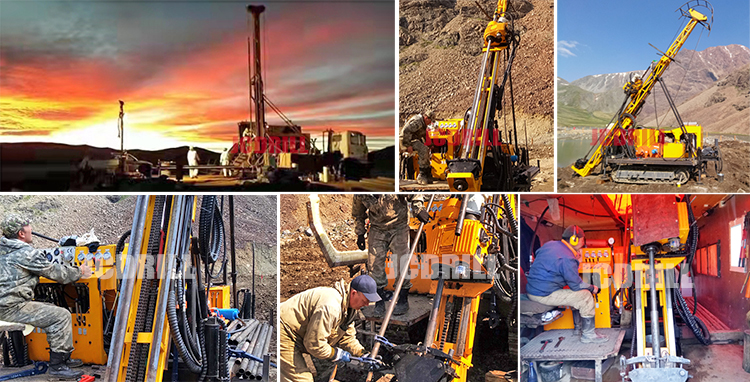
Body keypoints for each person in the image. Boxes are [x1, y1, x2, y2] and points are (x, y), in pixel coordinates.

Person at [0, 215, 93, 379]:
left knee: (51, 308)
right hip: (11, 307)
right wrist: (80, 272)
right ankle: (58, 367)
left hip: (5, 304)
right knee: (61, 316)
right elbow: (57, 273)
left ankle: (63, 357)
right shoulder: (25, 253)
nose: (31, 229)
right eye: (28, 226)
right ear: (21, 233)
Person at [279, 275, 381, 382]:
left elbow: (347, 338)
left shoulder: (349, 308)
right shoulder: (331, 307)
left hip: (299, 334)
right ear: (354, 293)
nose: (367, 304)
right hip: (285, 331)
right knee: (302, 379)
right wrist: (336, 354)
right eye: (365, 300)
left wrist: (362, 353)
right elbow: (314, 344)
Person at [525, 225, 607, 343]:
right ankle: (588, 335)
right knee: (585, 296)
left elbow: (540, 255)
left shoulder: (549, 244)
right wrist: (592, 288)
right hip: (543, 295)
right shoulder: (567, 258)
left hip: (533, 289)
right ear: (575, 239)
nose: (583, 242)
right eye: (582, 240)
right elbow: (576, 285)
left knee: (575, 293)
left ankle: (578, 327)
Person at [352, 195, 430, 317]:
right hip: (377, 228)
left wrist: (419, 209)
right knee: (374, 264)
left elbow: (413, 195)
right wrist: (360, 233)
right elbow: (358, 213)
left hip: (399, 225)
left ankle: (403, 299)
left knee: (401, 262)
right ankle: (379, 301)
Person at [400, 111, 434, 185]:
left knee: (426, 149)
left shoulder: (422, 123)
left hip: (412, 139)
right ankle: (422, 175)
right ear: (426, 118)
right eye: (430, 121)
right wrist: (408, 145)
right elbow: (407, 131)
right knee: (423, 150)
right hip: (405, 140)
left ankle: (427, 173)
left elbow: (423, 134)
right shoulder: (418, 122)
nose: (430, 123)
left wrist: (430, 145)